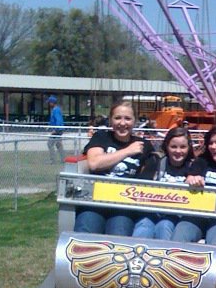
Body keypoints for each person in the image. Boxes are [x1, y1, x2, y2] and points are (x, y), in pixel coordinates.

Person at [73, 99, 159, 236]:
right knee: (85, 236)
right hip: (95, 200)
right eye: (117, 118)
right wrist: (127, 151)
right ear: (111, 121)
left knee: (118, 238)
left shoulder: (144, 145)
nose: (122, 123)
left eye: (128, 118)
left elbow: (151, 170)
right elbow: (94, 164)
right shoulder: (101, 137)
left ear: (135, 121)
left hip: (123, 205)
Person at [132, 126, 196, 241]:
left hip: (176, 214)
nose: (178, 151)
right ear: (167, 146)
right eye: (173, 147)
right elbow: (141, 187)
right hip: (152, 211)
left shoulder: (194, 166)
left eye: (183, 147)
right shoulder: (156, 161)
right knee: (144, 225)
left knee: (164, 225)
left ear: (189, 148)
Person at [47, 96, 65, 165]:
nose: (49, 104)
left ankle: (53, 160)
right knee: (58, 144)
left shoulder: (56, 110)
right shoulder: (55, 109)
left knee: (49, 143)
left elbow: (58, 120)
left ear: (52, 103)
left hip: (57, 130)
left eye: (49, 102)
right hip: (58, 129)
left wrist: (55, 129)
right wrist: (49, 126)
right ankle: (63, 159)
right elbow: (53, 120)